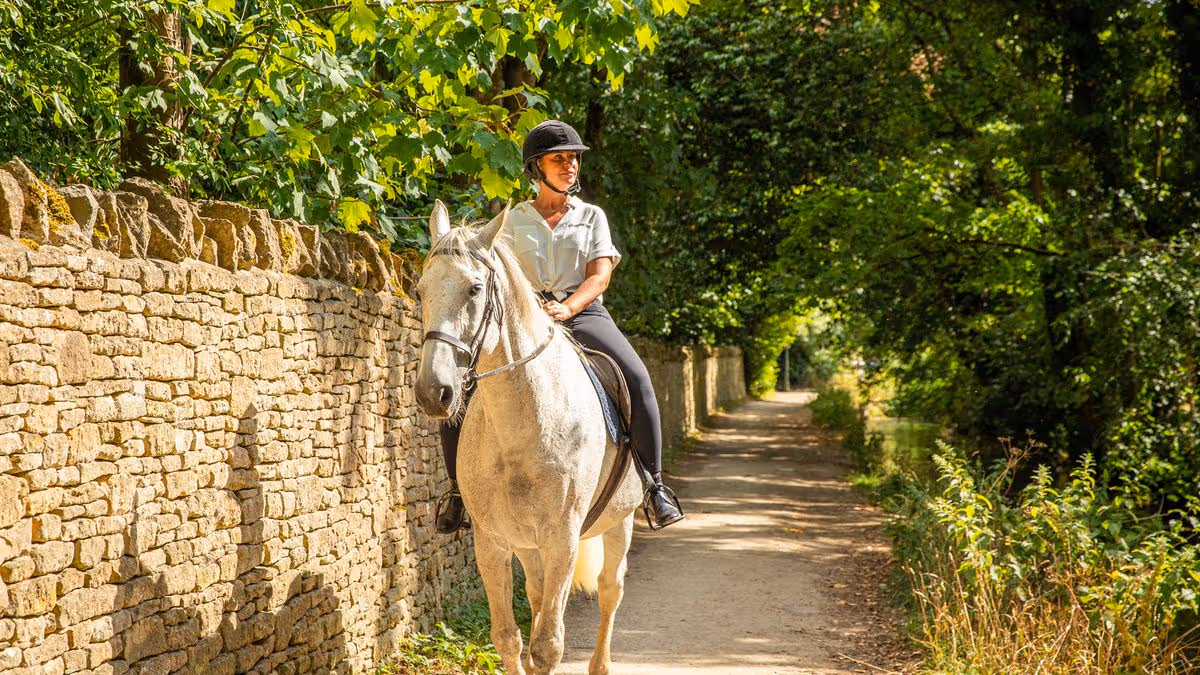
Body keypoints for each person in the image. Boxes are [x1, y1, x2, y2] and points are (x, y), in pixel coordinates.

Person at [435, 119, 686, 534]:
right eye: (559, 159)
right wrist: (533, 308)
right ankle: (458, 493)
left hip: (582, 313)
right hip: (525, 316)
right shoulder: (512, 221)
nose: (570, 166)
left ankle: (654, 487)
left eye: (573, 159)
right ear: (537, 168)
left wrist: (568, 309)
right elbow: (499, 277)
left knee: (638, 379)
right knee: (464, 387)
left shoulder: (592, 217)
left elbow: (599, 276)